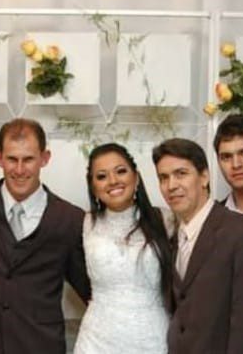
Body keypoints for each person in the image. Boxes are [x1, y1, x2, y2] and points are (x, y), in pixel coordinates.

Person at [0, 118, 90, 354]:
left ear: (44, 158)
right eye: (12, 159)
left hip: (42, 346)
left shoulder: (70, 219)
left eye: (28, 159)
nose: (19, 170)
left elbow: (90, 290)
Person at [152, 138, 243, 354]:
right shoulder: (171, 237)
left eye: (181, 174)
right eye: (163, 178)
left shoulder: (242, 232)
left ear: (204, 177)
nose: (171, 185)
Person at [74, 143, 173, 354]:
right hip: (96, 342)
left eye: (120, 171)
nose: (113, 181)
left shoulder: (166, 220)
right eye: (102, 176)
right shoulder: (84, 224)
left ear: (136, 177)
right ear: (93, 187)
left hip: (153, 340)